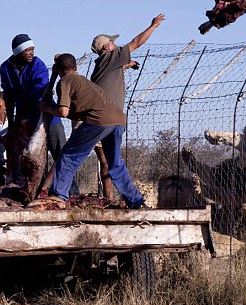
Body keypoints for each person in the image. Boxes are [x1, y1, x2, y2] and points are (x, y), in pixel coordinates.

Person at [38, 53, 145, 208]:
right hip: (118, 119)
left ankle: (58, 196)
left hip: (98, 121)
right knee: (114, 162)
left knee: (69, 156)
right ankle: (135, 201)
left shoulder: (65, 81)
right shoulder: (83, 81)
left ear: (60, 70)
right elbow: (77, 111)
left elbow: (63, 112)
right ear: (75, 67)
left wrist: (47, 107)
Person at [88, 14, 165, 200]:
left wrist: (127, 65)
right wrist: (153, 26)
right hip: (109, 120)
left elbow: (112, 73)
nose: (115, 45)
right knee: (109, 162)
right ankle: (131, 199)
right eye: (112, 43)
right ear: (107, 47)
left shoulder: (102, 65)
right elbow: (136, 42)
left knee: (106, 162)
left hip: (101, 119)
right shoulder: (112, 57)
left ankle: (123, 199)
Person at [0, 34, 79, 193]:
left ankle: (72, 192)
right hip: (24, 118)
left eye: (32, 49)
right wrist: (14, 121)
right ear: (17, 52)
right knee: (28, 159)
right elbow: (8, 96)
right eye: (27, 50)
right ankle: (30, 191)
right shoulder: (5, 68)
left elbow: (40, 93)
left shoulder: (38, 65)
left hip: (48, 117)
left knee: (60, 154)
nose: (31, 53)